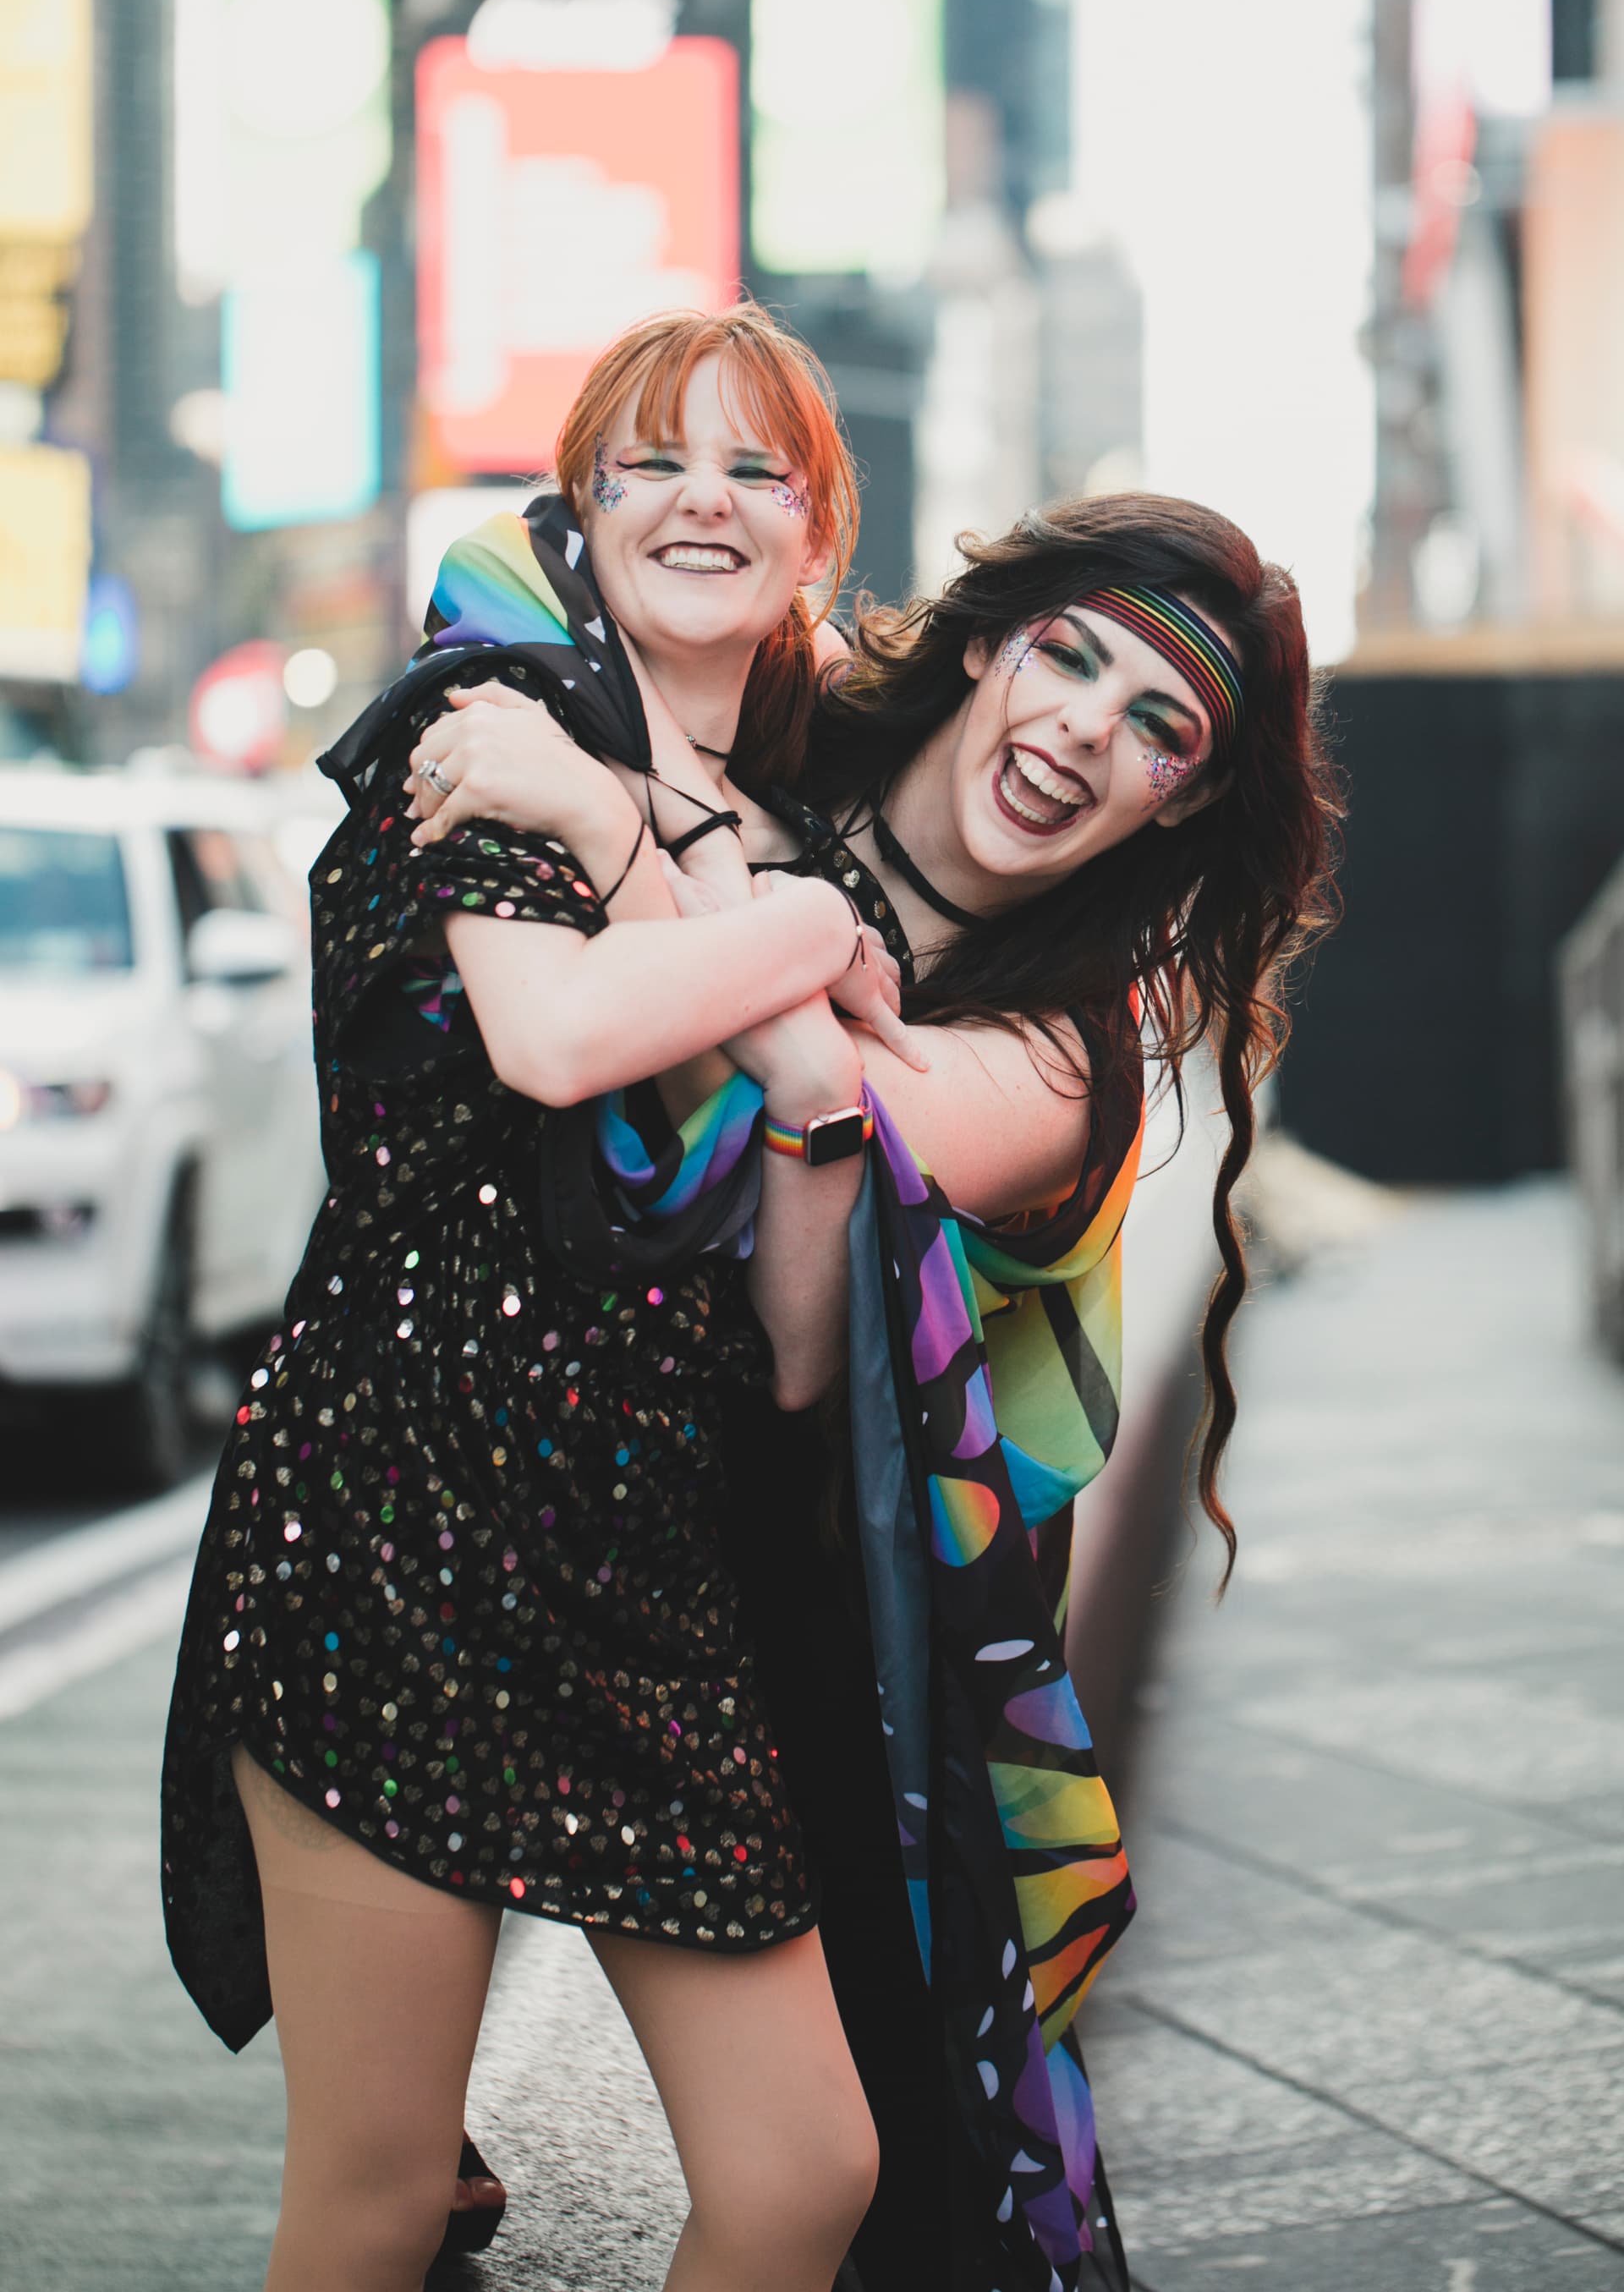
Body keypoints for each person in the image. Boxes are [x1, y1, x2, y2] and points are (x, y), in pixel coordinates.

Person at [404, 473, 1341, 2288]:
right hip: (493, 1517)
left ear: (1193, 795)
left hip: (808, 1657)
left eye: (1160, 726)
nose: (1083, 731)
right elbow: (504, 557)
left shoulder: (1059, 1057)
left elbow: (799, 1232)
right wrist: (724, 853)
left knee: (880, 2207)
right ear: (990, 642)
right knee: (397, 2183)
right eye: (1070, 658)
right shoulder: (771, 744)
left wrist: (610, 820)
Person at [160, 305, 927, 2292]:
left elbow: (797, 1329)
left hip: (636, 1570)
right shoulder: (483, 727)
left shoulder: (779, 842)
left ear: (813, 535)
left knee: (804, 2169)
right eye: (652, 460)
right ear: (582, 510)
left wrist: (792, 1014)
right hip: (392, 1521)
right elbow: (558, 1034)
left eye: (756, 467)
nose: (704, 498)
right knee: (383, 2183)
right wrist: (804, 943)